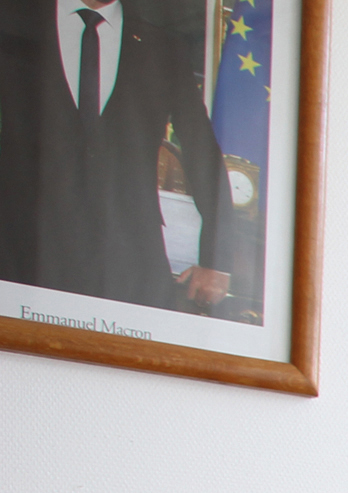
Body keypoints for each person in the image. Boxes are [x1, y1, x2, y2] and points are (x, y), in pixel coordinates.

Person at [0, 1, 231, 311]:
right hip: (21, 258)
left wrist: (217, 260)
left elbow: (202, 153)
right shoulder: (12, 21)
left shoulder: (164, 49)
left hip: (127, 267)